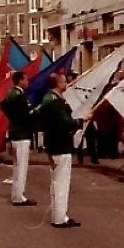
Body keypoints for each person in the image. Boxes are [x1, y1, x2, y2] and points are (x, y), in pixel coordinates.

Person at [38, 73, 90, 229]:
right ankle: (60, 218)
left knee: (56, 181)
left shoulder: (49, 99)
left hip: (54, 144)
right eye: (63, 81)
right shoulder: (54, 102)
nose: (67, 83)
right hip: (60, 145)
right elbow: (65, 122)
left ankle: (58, 215)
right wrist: (82, 120)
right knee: (61, 183)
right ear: (58, 84)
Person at [0, 71, 37, 207]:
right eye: (26, 79)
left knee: (17, 165)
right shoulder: (20, 95)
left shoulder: (10, 93)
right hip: (22, 133)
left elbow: (3, 106)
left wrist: (12, 117)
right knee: (21, 166)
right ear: (20, 80)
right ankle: (18, 196)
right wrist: (35, 112)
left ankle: (16, 194)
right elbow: (26, 114)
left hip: (14, 131)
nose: (27, 82)